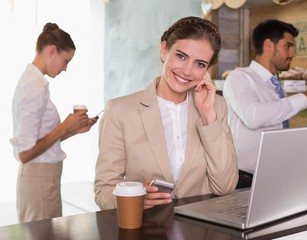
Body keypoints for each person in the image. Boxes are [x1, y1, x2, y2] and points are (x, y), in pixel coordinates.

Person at [94, 16, 238, 210]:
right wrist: (134, 201)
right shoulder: (121, 111)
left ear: (208, 70)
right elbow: (104, 189)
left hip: (200, 232)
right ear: (164, 50)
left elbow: (225, 187)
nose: (187, 70)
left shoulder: (216, 107)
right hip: (146, 230)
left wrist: (208, 117)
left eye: (200, 64)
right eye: (181, 56)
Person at [10, 22, 98, 222]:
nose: (65, 68)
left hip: (42, 180)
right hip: (39, 181)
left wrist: (73, 130)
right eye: (66, 60)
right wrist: (64, 127)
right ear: (52, 51)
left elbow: (40, 141)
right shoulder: (33, 87)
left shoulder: (34, 83)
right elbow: (24, 153)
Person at [222, 19, 307, 189]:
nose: (293, 53)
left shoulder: (275, 86)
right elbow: (253, 117)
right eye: (288, 46)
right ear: (269, 45)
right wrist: (304, 97)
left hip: (273, 177)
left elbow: (275, 126)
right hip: (243, 180)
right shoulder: (239, 78)